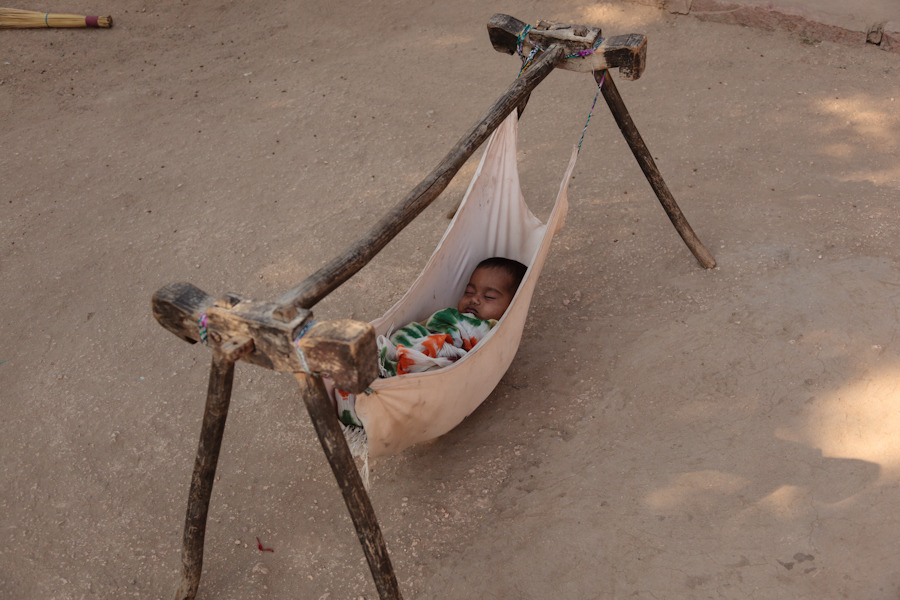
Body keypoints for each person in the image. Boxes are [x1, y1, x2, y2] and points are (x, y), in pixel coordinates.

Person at [335, 257, 527, 427]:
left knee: (423, 378)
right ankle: (372, 386)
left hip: (439, 369)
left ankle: (378, 396)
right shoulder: (452, 314)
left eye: (489, 297)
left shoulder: (495, 332)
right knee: (377, 357)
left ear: (513, 304)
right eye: (469, 292)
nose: (474, 300)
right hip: (418, 348)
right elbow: (422, 328)